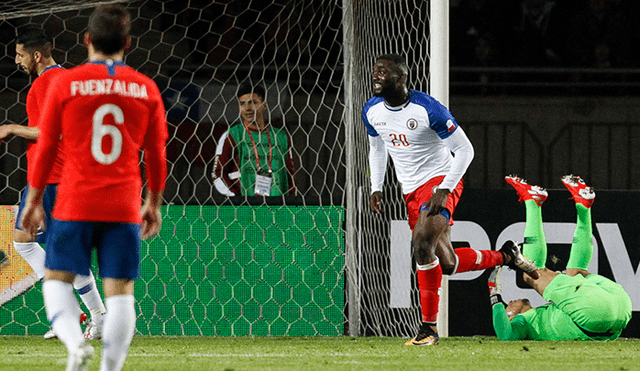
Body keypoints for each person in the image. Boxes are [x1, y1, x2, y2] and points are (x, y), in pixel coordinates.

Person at [20, 5, 167, 371]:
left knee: (56, 279)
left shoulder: (68, 83)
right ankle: (109, 368)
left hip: (74, 198)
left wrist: (35, 198)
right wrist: (153, 203)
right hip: (122, 202)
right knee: (121, 295)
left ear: (86, 40)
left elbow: (48, 144)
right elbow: (156, 153)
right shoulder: (144, 86)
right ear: (128, 43)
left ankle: (74, 344)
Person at [362, 53, 539, 346]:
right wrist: (375, 186)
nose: (376, 76)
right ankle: (508, 256)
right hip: (410, 191)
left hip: (439, 182)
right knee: (448, 263)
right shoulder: (371, 110)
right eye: (374, 71)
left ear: (401, 78)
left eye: (383, 71)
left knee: (421, 244)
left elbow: (465, 150)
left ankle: (428, 329)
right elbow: (377, 149)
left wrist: (445, 188)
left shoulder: (428, 108)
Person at [0, 26, 107, 340]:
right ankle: (76, 314)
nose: (17, 61)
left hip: (56, 178)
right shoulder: (63, 79)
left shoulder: (50, 82)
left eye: (20, 55)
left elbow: (53, 132)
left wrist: (12, 128)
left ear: (35, 55)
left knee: (41, 246)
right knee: (27, 241)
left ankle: (93, 317)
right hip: (51, 176)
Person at [488, 175, 632, 341]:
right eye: (507, 308)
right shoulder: (524, 325)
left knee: (574, 273)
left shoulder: (551, 315)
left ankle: (581, 206)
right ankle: (534, 202)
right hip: (600, 309)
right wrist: (494, 296)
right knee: (530, 275)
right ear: (510, 319)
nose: (509, 302)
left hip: (621, 309)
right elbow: (505, 335)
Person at [212, 83, 296, 197]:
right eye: (242, 104)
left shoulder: (281, 136)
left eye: (253, 102)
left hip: (277, 206)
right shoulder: (232, 135)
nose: (247, 108)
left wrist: (291, 202)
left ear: (264, 105)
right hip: (245, 207)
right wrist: (236, 198)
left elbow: (290, 174)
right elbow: (218, 174)